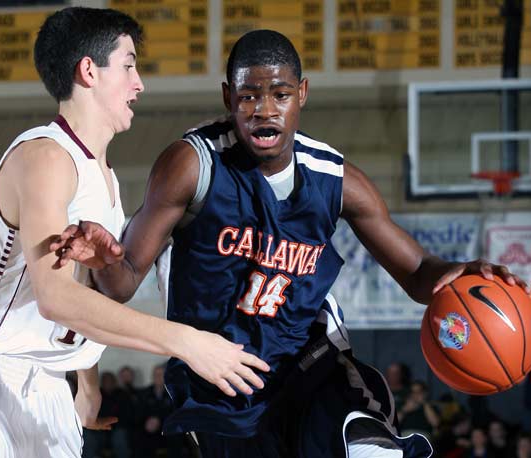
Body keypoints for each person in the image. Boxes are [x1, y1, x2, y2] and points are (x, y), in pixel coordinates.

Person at [52, 30, 529, 458]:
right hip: (219, 376)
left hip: (309, 360)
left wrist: (458, 271)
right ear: (227, 97)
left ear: (301, 94)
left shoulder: (334, 177)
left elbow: (418, 269)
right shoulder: (191, 165)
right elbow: (123, 280)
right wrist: (102, 260)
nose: (264, 110)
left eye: (280, 94)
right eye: (248, 96)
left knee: (360, 434)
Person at [0, 8, 268, 458]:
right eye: (129, 65)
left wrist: (88, 380)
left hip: (48, 394)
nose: (140, 84)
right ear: (88, 71)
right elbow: (56, 297)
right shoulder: (44, 157)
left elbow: (86, 295)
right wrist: (188, 342)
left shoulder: (107, 180)